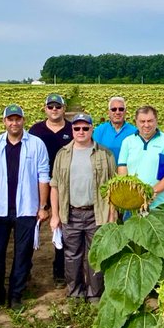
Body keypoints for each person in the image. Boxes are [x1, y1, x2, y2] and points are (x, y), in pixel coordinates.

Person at [0, 104, 51, 311]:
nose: (14, 123)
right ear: (4, 122)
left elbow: (43, 176)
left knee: (23, 254)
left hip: (26, 208)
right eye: (10, 119)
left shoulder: (36, 144)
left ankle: (16, 296)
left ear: (23, 121)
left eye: (17, 119)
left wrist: (43, 205)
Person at [48, 113, 116, 302]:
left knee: (95, 255)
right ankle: (75, 292)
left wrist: (112, 214)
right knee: (72, 255)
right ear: (72, 130)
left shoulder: (105, 153)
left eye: (85, 128)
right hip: (71, 213)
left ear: (92, 129)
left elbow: (113, 187)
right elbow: (55, 186)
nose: (81, 132)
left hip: (97, 213)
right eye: (77, 128)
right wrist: (54, 215)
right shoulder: (62, 154)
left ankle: (94, 293)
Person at [30, 93, 73, 286]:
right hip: (38, 184)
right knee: (31, 226)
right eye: (50, 107)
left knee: (62, 226)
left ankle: (60, 272)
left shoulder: (73, 129)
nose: (54, 110)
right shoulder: (36, 130)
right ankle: (25, 272)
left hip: (66, 184)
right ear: (45, 109)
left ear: (64, 108)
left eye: (57, 107)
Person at [117, 106, 164, 209]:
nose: (146, 125)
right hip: (133, 204)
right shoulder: (127, 142)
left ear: (156, 121)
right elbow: (122, 172)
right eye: (142, 121)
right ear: (136, 122)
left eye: (150, 121)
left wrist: (150, 192)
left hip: (160, 205)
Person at [92, 96, 137, 162]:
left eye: (121, 109)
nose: (117, 112)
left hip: (127, 171)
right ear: (108, 112)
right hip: (105, 171)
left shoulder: (134, 131)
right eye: (114, 109)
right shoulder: (99, 130)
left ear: (125, 112)